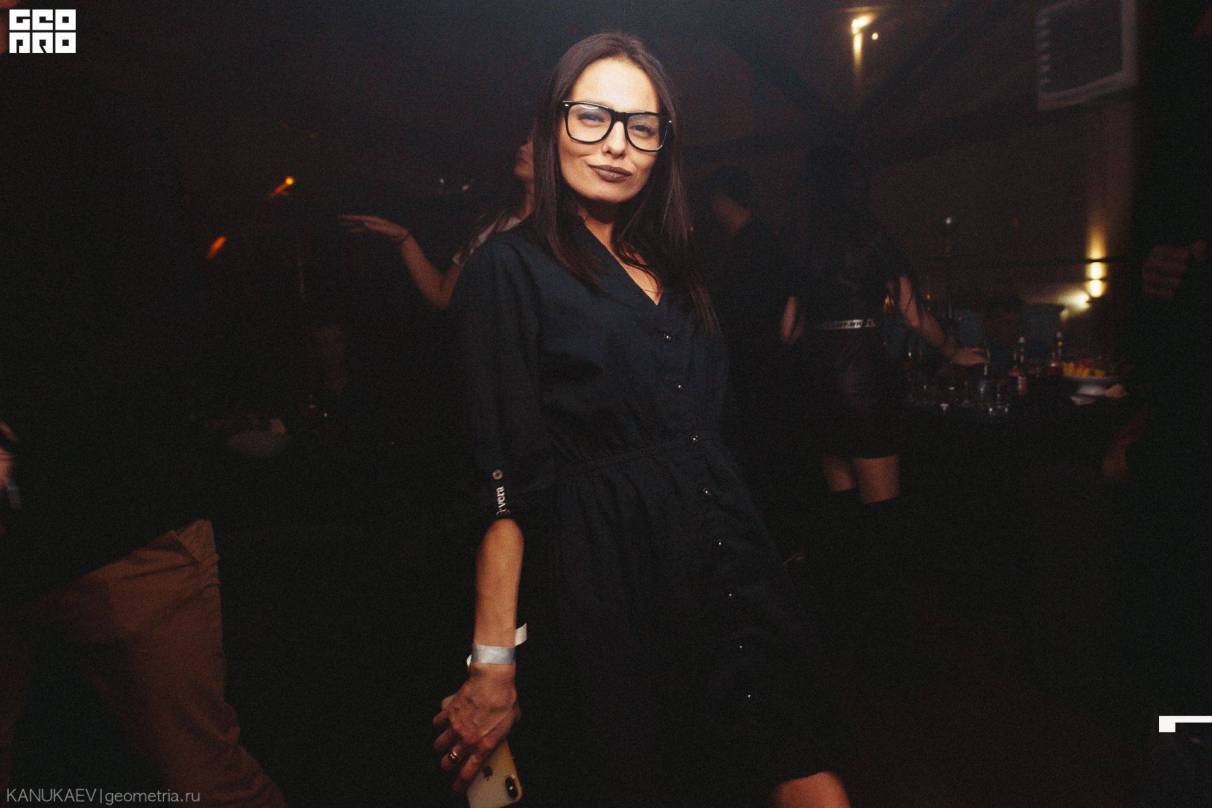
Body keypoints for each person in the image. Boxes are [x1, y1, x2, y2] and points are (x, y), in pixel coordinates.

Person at [431, 32, 852, 808]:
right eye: (592, 117)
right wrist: (492, 662)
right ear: (552, 124)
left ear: (663, 146)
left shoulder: (677, 264)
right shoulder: (509, 268)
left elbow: (714, 427)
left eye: (642, 126)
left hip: (730, 565)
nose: (617, 144)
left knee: (805, 767)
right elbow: (503, 485)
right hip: (613, 585)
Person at [0, 12, 285, 805]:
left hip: (118, 520)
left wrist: (19, 426)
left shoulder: (84, 111)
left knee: (202, 780)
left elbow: (171, 322)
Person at [778, 147, 984, 665]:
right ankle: (888, 646)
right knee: (883, 519)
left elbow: (787, 331)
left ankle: (846, 635)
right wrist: (953, 350)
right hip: (863, 379)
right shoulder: (872, 236)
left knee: (842, 514)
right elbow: (913, 316)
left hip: (818, 381)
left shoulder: (805, 242)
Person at [339, 134, 535, 310]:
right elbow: (444, 296)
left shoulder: (552, 231)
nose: (523, 147)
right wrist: (403, 239)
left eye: (537, 142)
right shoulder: (493, 222)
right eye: (526, 140)